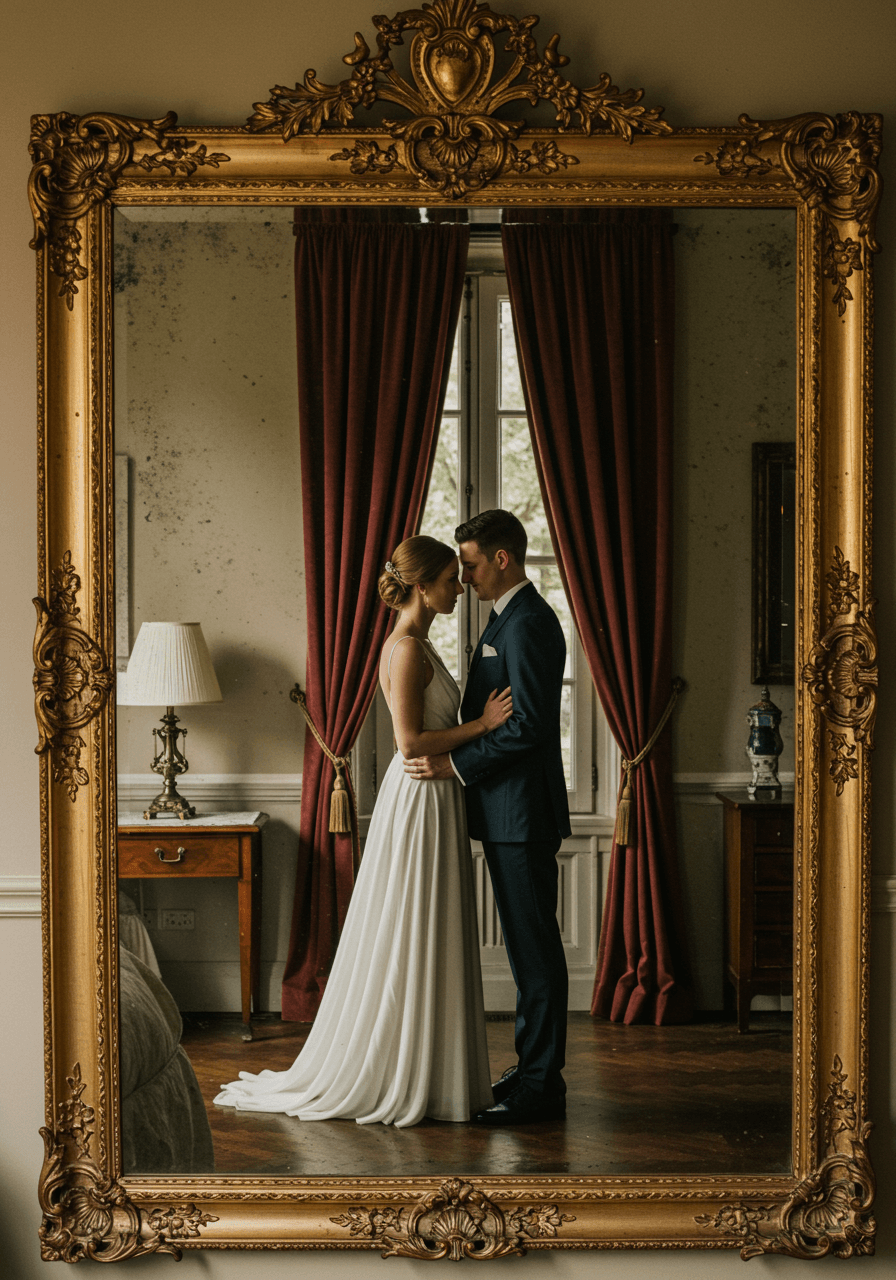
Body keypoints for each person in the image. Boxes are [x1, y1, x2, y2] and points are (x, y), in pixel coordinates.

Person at [214, 535, 512, 1127]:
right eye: (449, 580)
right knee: (415, 922)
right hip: (420, 794)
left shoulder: (417, 643)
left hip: (436, 794)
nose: (459, 588)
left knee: (428, 923)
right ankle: (408, 1070)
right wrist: (482, 725)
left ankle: (433, 1069)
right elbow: (410, 742)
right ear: (421, 587)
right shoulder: (405, 650)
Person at [404, 510, 570, 1125]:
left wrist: (455, 766)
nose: (465, 576)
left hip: (522, 815)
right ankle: (531, 1072)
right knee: (528, 953)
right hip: (505, 813)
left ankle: (541, 1086)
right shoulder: (504, 618)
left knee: (535, 953)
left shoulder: (530, 622)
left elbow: (529, 725)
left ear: (502, 559)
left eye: (470, 565)